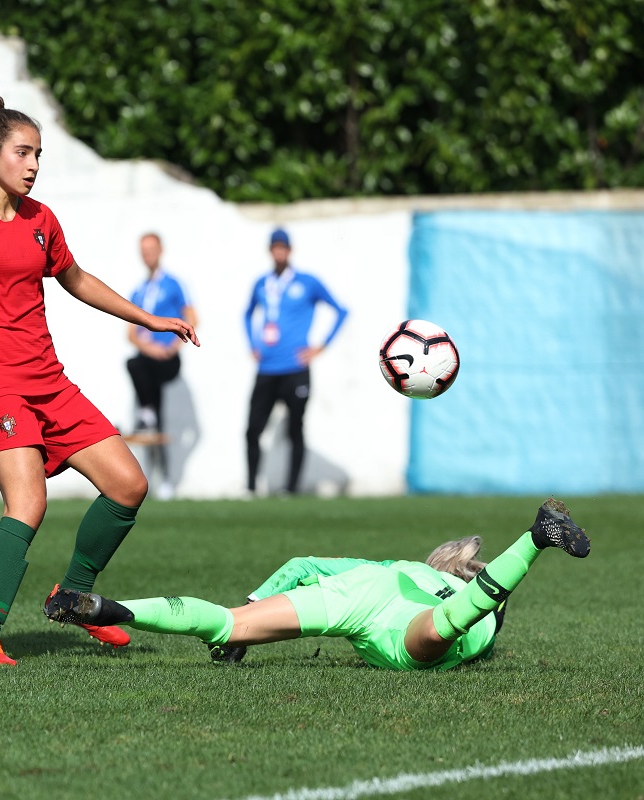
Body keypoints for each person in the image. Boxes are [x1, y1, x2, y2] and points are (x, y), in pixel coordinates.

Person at [0, 94, 199, 666]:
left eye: (39, 153)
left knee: (127, 485)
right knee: (29, 502)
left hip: (49, 380)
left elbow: (77, 279)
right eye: (23, 152)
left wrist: (148, 317)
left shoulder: (42, 220)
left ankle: (70, 595)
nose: (34, 164)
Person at [45, 498, 590, 671]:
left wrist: (253, 610)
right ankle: (535, 538)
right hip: (402, 630)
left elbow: (303, 560)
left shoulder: (399, 565)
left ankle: (110, 607)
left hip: (364, 593)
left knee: (227, 622)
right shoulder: (485, 618)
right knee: (447, 628)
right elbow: (485, 605)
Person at [243, 228, 347, 496]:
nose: (279, 252)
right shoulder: (261, 284)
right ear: (270, 251)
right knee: (253, 428)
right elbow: (246, 314)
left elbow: (340, 310)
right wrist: (252, 345)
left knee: (295, 429)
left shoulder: (307, 282)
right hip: (267, 368)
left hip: (296, 369)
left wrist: (320, 347)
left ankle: (291, 488)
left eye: (283, 247)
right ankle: (252, 487)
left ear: (290, 250)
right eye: (275, 247)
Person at [125, 232, 196, 500]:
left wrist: (171, 347)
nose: (147, 255)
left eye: (151, 249)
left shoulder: (174, 284)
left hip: (167, 361)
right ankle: (159, 478)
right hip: (147, 362)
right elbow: (130, 333)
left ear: (160, 250)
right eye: (143, 250)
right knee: (156, 421)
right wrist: (149, 347)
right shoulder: (139, 290)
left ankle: (147, 414)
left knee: (138, 366)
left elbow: (193, 317)